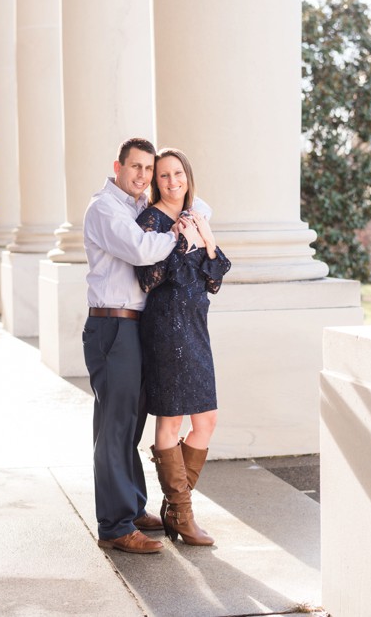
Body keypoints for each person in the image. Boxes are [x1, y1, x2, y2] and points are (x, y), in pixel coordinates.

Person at [83, 137, 184, 555]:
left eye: (149, 169)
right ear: (118, 166)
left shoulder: (138, 207)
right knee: (115, 427)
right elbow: (143, 250)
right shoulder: (104, 208)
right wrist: (178, 234)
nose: (143, 176)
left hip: (136, 328)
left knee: (131, 425)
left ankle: (132, 507)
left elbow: (199, 206)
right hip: (112, 327)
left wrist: (180, 210)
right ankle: (115, 525)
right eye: (136, 167)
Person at [137, 148, 231, 547]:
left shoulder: (196, 217)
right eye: (164, 176)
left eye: (178, 174)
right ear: (156, 182)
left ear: (188, 176)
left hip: (196, 328)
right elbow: (148, 277)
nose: (173, 181)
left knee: (205, 419)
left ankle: (176, 508)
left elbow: (215, 279)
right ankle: (184, 514)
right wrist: (178, 240)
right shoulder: (150, 221)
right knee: (171, 420)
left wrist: (206, 239)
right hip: (167, 328)